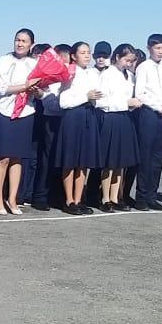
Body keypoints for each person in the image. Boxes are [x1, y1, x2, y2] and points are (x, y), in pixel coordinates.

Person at [0, 28, 39, 215]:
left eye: (24, 41)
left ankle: (12, 198)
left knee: (18, 157)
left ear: (31, 44)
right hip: (5, 112)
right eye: (18, 40)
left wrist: (36, 90)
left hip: (26, 112)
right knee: (4, 157)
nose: (20, 43)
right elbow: (1, 88)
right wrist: (24, 86)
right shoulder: (4, 60)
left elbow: (41, 90)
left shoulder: (34, 63)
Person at [56, 41, 102, 214]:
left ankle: (78, 199)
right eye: (82, 53)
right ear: (74, 56)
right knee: (70, 161)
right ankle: (69, 200)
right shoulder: (69, 72)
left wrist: (95, 99)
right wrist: (86, 96)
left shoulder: (92, 74)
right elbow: (64, 102)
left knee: (83, 162)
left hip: (89, 116)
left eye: (88, 52)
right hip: (73, 117)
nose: (87, 56)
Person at [132, 33, 162, 210]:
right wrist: (159, 107)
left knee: (158, 156)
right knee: (146, 156)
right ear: (149, 48)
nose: (160, 51)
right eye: (157, 48)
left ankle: (152, 195)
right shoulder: (143, 67)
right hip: (149, 114)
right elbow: (140, 94)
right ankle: (141, 197)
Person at [97, 44, 141, 212]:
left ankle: (115, 197)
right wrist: (125, 103)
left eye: (131, 61)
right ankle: (105, 197)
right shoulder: (107, 74)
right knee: (110, 162)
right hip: (111, 118)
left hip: (125, 119)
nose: (128, 64)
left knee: (120, 162)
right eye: (126, 60)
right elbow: (101, 101)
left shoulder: (130, 76)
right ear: (117, 57)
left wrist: (132, 105)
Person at [30, 44, 71, 210]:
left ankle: (57, 195)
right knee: (47, 159)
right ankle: (40, 196)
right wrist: (43, 95)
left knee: (62, 160)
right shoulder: (51, 74)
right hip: (51, 118)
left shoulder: (72, 74)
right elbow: (49, 101)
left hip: (66, 121)